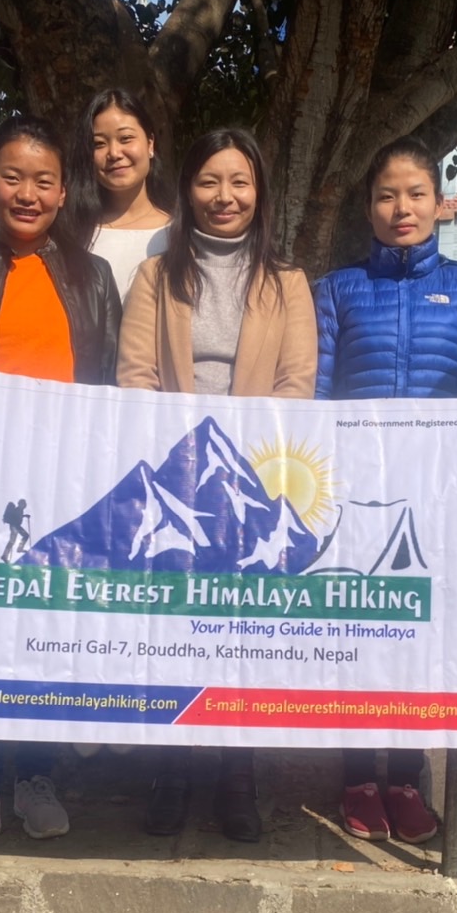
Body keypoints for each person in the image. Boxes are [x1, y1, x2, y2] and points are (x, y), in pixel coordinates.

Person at [0, 114, 121, 860]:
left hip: (63, 484)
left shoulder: (93, 277)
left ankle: (37, 777)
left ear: (64, 189)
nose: (27, 193)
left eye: (43, 180)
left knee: (44, 637)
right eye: (13, 177)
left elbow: (109, 387)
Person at [117, 127, 317, 840]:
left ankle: (237, 772)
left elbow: (297, 384)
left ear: (259, 192)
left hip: (250, 483)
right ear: (188, 190)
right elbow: (136, 376)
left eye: (239, 182)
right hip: (175, 477)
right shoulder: (156, 275)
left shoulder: (286, 282)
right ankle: (171, 766)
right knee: (173, 630)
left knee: (240, 633)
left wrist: (244, 462)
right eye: (208, 181)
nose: (223, 196)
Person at [313, 137, 457, 845]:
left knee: (424, 637)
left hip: (439, 497)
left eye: (416, 194)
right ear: (369, 207)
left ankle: (406, 777)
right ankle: (359, 777)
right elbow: (317, 392)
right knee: (361, 636)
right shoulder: (335, 291)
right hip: (357, 495)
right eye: (388, 195)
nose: (402, 208)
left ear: (440, 205)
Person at [66, 88, 172, 298]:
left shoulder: (180, 233)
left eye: (125, 139)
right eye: (99, 144)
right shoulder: (70, 234)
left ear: (150, 144)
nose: (114, 153)